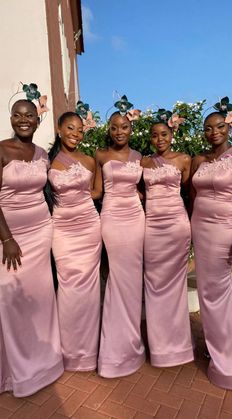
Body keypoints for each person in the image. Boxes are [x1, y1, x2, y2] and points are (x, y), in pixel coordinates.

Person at [0, 99, 63, 397]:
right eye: (18, 115)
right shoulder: (0, 150)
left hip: (41, 232)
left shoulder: (42, 155)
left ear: (38, 121)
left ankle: (45, 362)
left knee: (40, 298)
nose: (24, 120)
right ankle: (17, 371)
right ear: (11, 118)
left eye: (30, 116)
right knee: (10, 299)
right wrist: (7, 239)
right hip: (9, 236)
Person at [48, 111, 102, 371]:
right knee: (68, 287)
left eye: (80, 130)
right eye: (70, 128)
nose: (76, 134)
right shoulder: (47, 161)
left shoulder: (90, 161)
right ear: (59, 129)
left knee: (90, 291)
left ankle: (88, 353)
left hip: (89, 227)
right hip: (61, 230)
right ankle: (67, 351)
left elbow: (96, 191)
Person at [96, 96, 145, 377]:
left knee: (132, 280)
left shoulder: (140, 157)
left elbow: (146, 187)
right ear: (109, 130)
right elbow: (96, 191)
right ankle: (115, 350)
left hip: (136, 219)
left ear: (130, 130)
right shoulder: (100, 156)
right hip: (112, 219)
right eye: (114, 127)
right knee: (117, 278)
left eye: (124, 127)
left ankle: (132, 343)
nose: (119, 132)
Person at [141, 110, 194, 367]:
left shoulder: (185, 160)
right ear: (150, 139)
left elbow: (189, 193)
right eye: (154, 135)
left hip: (176, 227)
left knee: (175, 286)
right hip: (152, 228)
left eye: (164, 134)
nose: (159, 138)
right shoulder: (143, 162)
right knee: (154, 284)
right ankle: (160, 347)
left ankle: (179, 346)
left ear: (172, 135)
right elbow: (137, 192)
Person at [191, 98, 232, 389]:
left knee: (220, 289)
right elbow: (193, 197)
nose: (213, 132)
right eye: (208, 128)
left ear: (228, 127)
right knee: (207, 290)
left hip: (224, 229)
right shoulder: (201, 159)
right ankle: (215, 342)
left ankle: (229, 354)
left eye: (219, 126)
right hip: (200, 228)